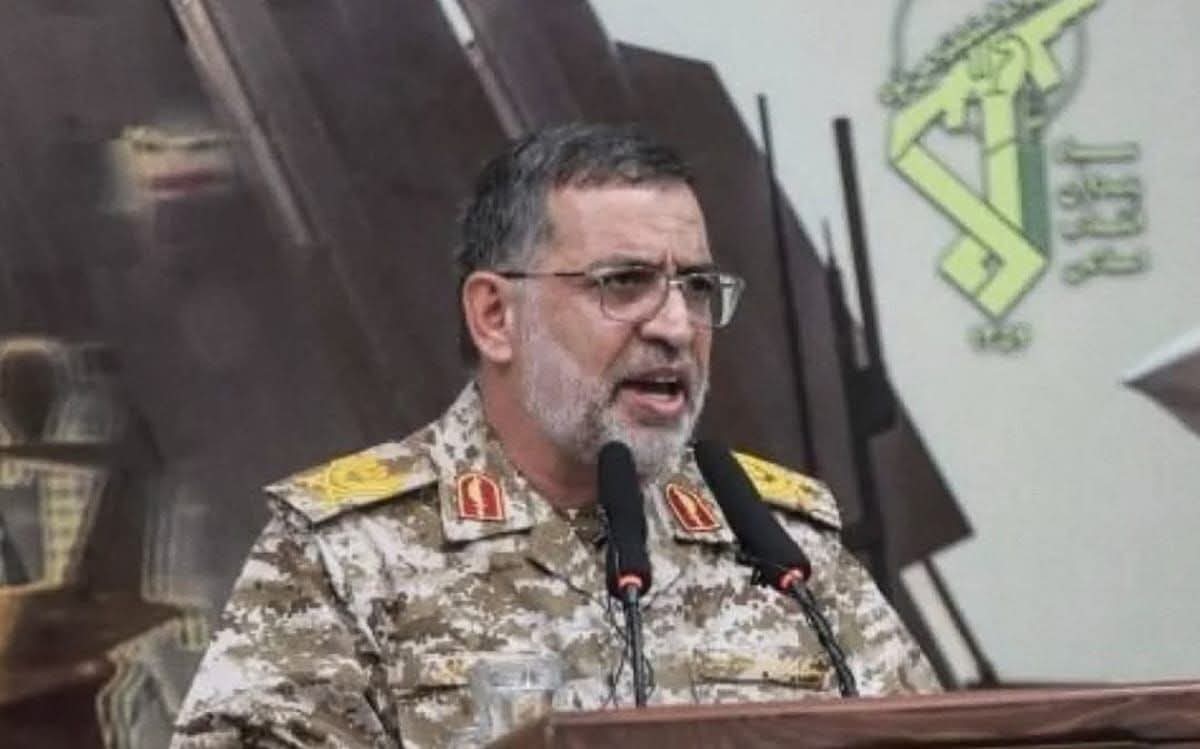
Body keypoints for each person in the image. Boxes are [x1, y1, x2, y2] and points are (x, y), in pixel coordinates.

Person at [170, 123, 939, 748]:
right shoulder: (347, 551)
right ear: (495, 316)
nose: (676, 326)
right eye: (624, 282)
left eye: (697, 287)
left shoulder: (779, 545)